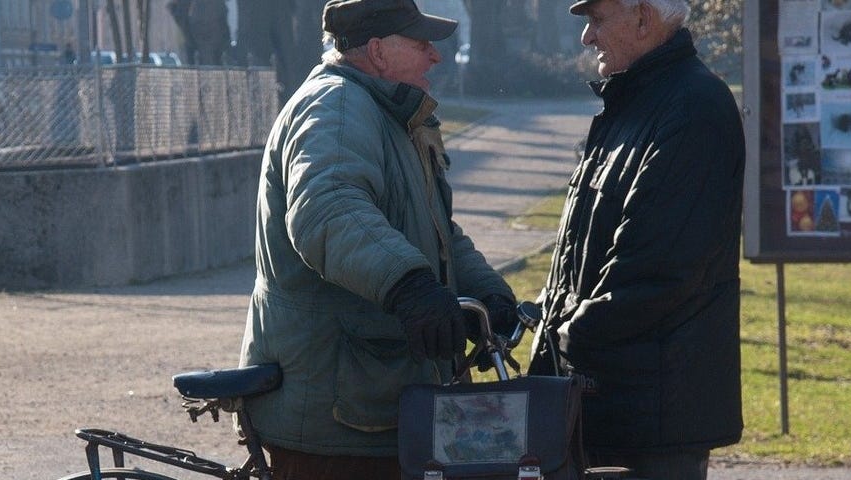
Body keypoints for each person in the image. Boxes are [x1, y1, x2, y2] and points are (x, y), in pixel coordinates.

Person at [238, 0, 518, 479]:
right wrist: (410, 287)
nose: (436, 56)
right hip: (339, 422)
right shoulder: (338, 107)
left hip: (376, 404)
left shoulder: (387, 113)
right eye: (421, 44)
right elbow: (328, 211)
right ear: (378, 52)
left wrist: (490, 292)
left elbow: (436, 230)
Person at [527, 0, 746, 479]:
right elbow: (582, 252)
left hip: (652, 421)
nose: (587, 38)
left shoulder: (693, 108)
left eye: (597, 20)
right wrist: (537, 317)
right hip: (608, 406)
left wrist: (564, 338)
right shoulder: (632, 104)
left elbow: (655, 272)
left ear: (644, 19)